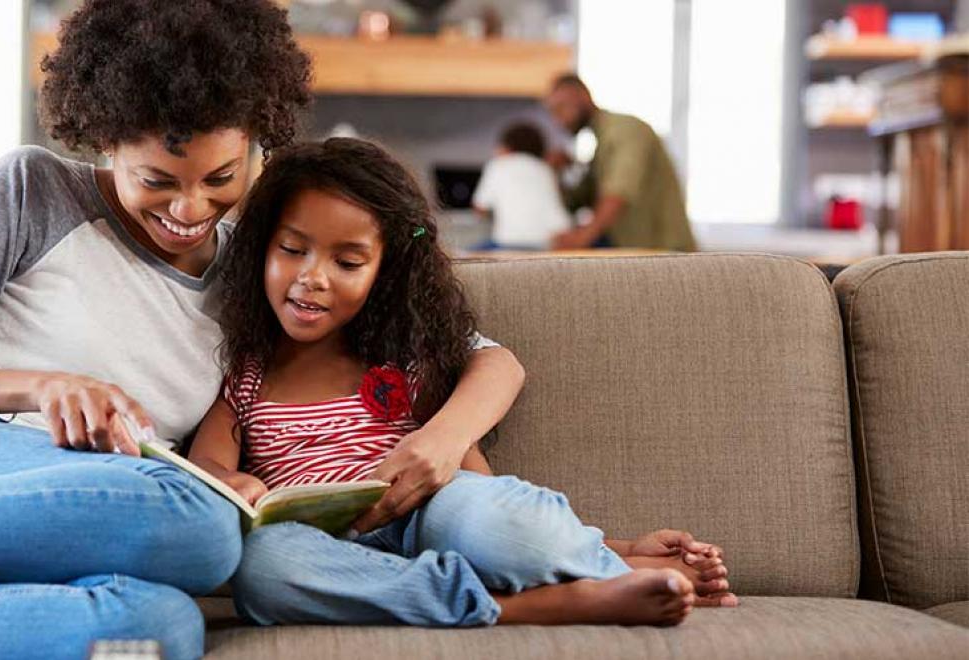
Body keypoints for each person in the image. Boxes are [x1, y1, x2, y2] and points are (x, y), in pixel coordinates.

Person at [0, 2, 525, 658]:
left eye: (220, 178)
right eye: (158, 181)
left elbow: (484, 361)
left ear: (257, 144)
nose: (190, 209)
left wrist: (439, 439)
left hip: (62, 539)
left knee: (159, 628)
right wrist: (37, 387)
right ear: (105, 140)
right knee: (202, 526)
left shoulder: (263, 273)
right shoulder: (34, 192)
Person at [187, 137, 738, 630]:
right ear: (261, 247)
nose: (313, 277)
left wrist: (616, 540)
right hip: (327, 550)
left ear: (385, 272)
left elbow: (480, 495)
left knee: (490, 521)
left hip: (427, 519)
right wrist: (232, 483)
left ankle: (610, 563)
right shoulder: (245, 377)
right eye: (292, 250)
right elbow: (207, 465)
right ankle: (528, 605)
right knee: (264, 568)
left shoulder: (401, 362)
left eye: (348, 261)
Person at [544, 73, 697, 252]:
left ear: (582, 95)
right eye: (553, 113)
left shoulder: (625, 130)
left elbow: (618, 192)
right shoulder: (601, 144)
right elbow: (577, 201)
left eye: (561, 108)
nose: (558, 120)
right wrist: (557, 171)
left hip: (667, 254)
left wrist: (581, 238)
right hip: (641, 253)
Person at [471, 121, 571, 251]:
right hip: (547, 242)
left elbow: (479, 208)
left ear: (506, 147)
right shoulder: (544, 168)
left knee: (462, 256)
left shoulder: (498, 165)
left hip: (508, 242)